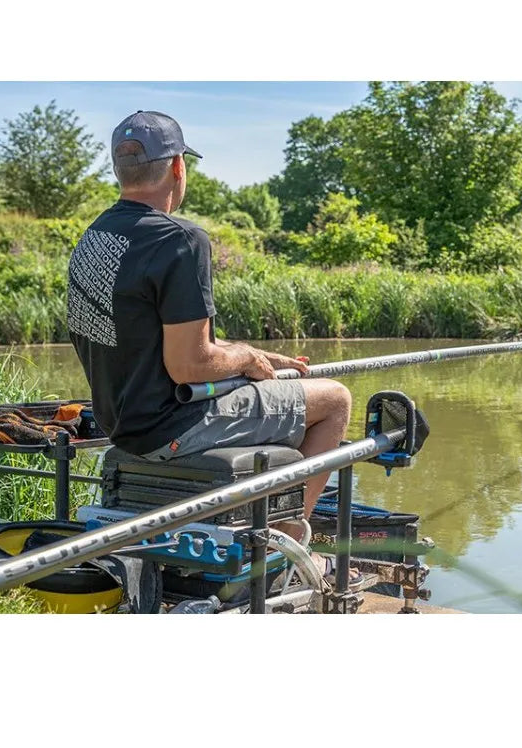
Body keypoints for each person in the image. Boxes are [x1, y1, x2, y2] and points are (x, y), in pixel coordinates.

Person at [67, 111, 353, 580]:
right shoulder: (180, 238)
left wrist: (257, 358)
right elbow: (189, 364)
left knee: (292, 391)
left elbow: (167, 341)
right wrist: (242, 358)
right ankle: (285, 545)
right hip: (171, 426)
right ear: (178, 167)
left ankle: (260, 527)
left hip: (122, 423)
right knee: (333, 399)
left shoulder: (95, 237)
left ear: (120, 169)